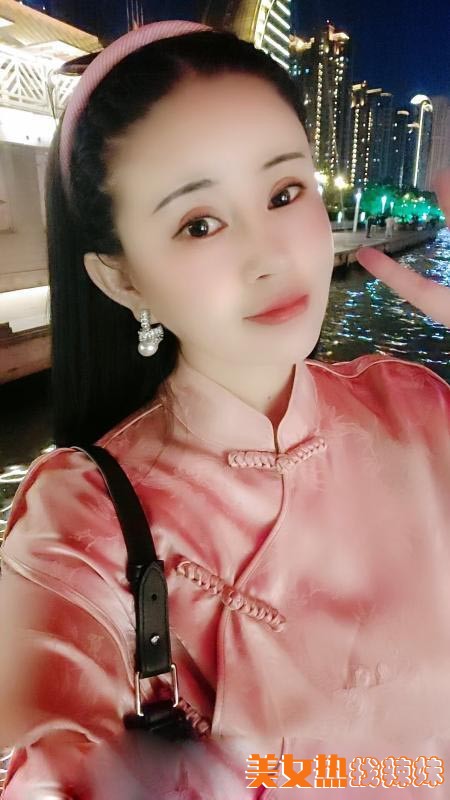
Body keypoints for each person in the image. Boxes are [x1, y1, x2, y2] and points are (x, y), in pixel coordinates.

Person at [0, 19, 449, 799]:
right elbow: (50, 750)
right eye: (199, 223)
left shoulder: (415, 409)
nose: (270, 255)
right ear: (121, 279)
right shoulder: (82, 519)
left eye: (284, 193)